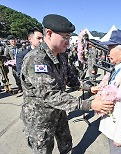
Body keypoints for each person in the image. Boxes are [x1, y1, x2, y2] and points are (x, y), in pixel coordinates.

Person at [20, 14, 114, 154]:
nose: (68, 42)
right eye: (65, 37)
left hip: (59, 114)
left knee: (66, 146)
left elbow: (72, 80)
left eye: (69, 38)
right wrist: (89, 104)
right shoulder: (36, 59)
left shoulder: (62, 55)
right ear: (50, 34)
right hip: (40, 120)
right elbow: (50, 95)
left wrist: (91, 88)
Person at [91, 30, 121, 154]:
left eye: (111, 48)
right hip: (111, 125)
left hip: (117, 128)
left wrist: (120, 136)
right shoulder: (117, 69)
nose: (108, 52)